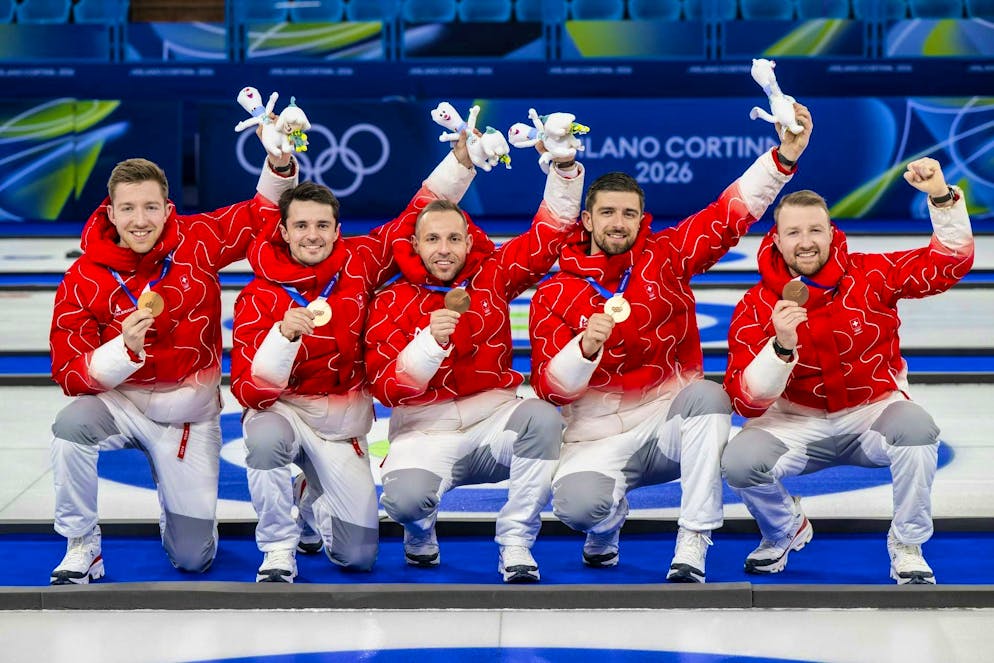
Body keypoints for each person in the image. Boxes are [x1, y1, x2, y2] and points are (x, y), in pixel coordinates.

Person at [528, 105, 813, 583]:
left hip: (669, 427)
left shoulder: (667, 256)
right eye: (608, 213)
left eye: (629, 214)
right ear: (586, 220)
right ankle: (605, 526)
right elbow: (551, 390)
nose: (619, 223)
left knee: (709, 396)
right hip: (595, 437)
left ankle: (693, 540)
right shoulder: (554, 292)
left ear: (644, 220)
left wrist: (782, 158)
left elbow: (728, 214)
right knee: (578, 508)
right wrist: (583, 350)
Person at [47, 135, 297, 585]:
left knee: (193, 559)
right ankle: (82, 544)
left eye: (150, 207)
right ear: (110, 213)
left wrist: (279, 165)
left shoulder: (197, 240)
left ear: (168, 209)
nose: (139, 221)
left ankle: (177, 507)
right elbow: (69, 371)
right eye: (127, 209)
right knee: (69, 429)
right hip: (118, 405)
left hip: (188, 416)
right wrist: (122, 351)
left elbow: (257, 216)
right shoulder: (83, 276)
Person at [231, 137, 479, 583]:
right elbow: (248, 390)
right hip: (281, 410)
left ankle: (309, 493)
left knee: (358, 557)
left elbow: (416, 216)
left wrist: (460, 162)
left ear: (337, 230)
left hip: (341, 424)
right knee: (265, 441)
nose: (313, 235)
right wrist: (283, 336)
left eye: (323, 225)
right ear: (283, 232)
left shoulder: (360, 261)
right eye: (302, 226)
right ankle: (277, 547)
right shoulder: (257, 295)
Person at [721, 157, 973, 584]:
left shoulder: (871, 274)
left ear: (832, 233)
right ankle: (785, 528)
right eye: (794, 232)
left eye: (815, 230)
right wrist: (780, 347)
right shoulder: (754, 306)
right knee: (739, 462)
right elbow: (746, 400)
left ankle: (907, 543)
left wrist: (941, 197)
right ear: (776, 241)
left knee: (917, 429)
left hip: (871, 414)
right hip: (794, 423)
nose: (806, 241)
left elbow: (947, 265)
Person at [364, 152, 585, 583]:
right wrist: (430, 344)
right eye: (432, 240)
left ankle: (516, 540)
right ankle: (419, 529)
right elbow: (386, 388)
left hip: (494, 422)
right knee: (405, 501)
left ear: (469, 241)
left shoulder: (492, 274)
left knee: (542, 417)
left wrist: (564, 170)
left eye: (453, 239)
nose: (443, 250)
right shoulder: (389, 300)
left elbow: (547, 238)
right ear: (415, 246)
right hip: (424, 431)